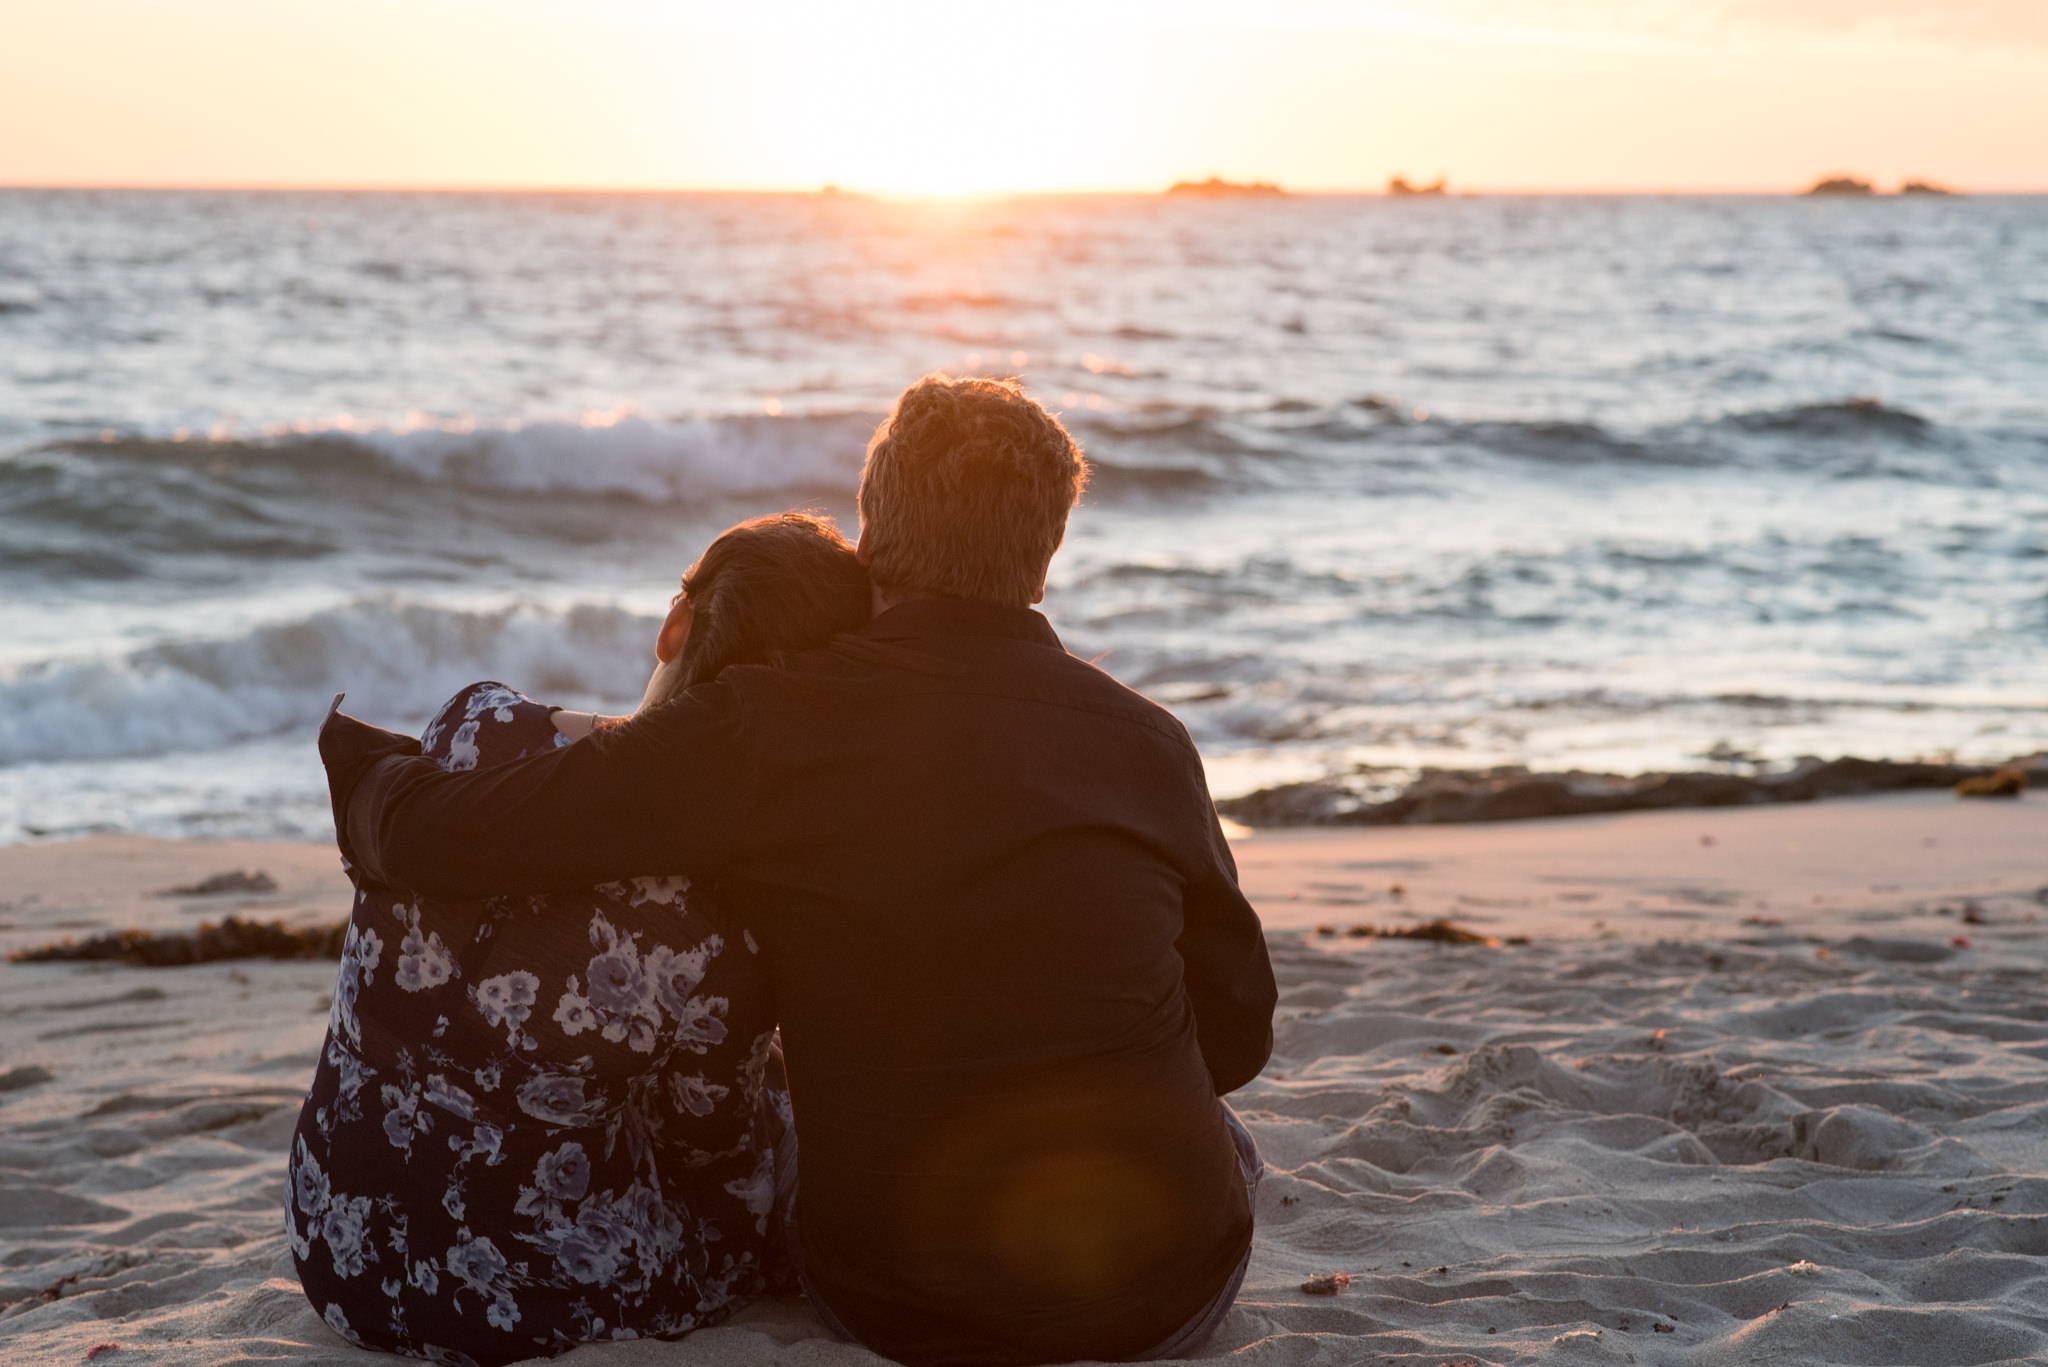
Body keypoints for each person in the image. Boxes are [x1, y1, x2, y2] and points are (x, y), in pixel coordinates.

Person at [321, 374, 1278, 1367]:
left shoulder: (767, 725)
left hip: (900, 1308)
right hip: (1165, 1294)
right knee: (1220, 1136)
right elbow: (1236, 1036)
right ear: (1045, 556)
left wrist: (367, 766)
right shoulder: (1147, 743)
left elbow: (453, 836)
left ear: (871, 535)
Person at [291, 513, 869, 1365]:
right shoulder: (714, 931)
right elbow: (709, 1158)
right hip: (521, 1299)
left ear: (676, 626)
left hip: (334, 1240)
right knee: (768, 1106)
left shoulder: (474, 723)